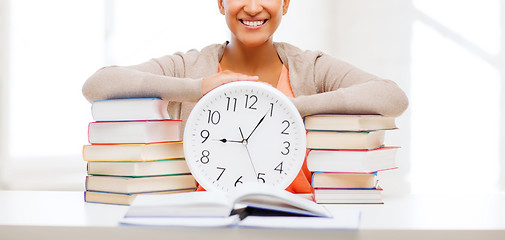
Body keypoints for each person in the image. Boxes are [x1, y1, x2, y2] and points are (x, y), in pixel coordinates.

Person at [82, 0, 409, 193]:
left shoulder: (310, 68)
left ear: (285, 3)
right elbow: (99, 84)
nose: (253, 7)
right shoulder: (190, 67)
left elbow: (392, 97)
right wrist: (197, 89)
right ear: (221, 2)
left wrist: (295, 108)